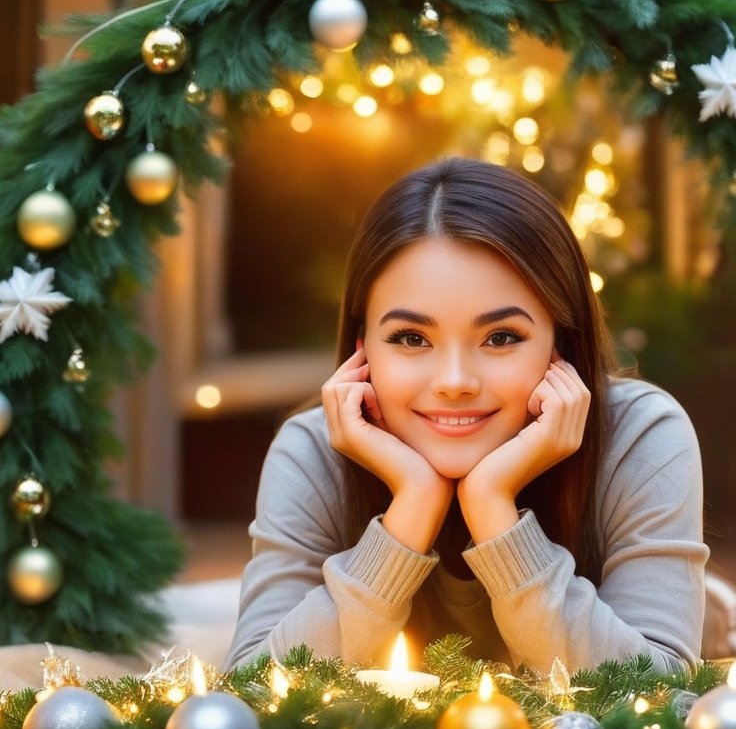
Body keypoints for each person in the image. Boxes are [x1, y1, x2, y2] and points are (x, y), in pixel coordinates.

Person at [225, 158, 708, 675]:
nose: (455, 381)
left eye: (501, 338)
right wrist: (411, 508)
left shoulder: (640, 435)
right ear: (364, 349)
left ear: (560, 345)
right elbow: (251, 691)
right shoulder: (312, 451)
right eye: (412, 338)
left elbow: (660, 692)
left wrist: (492, 506)